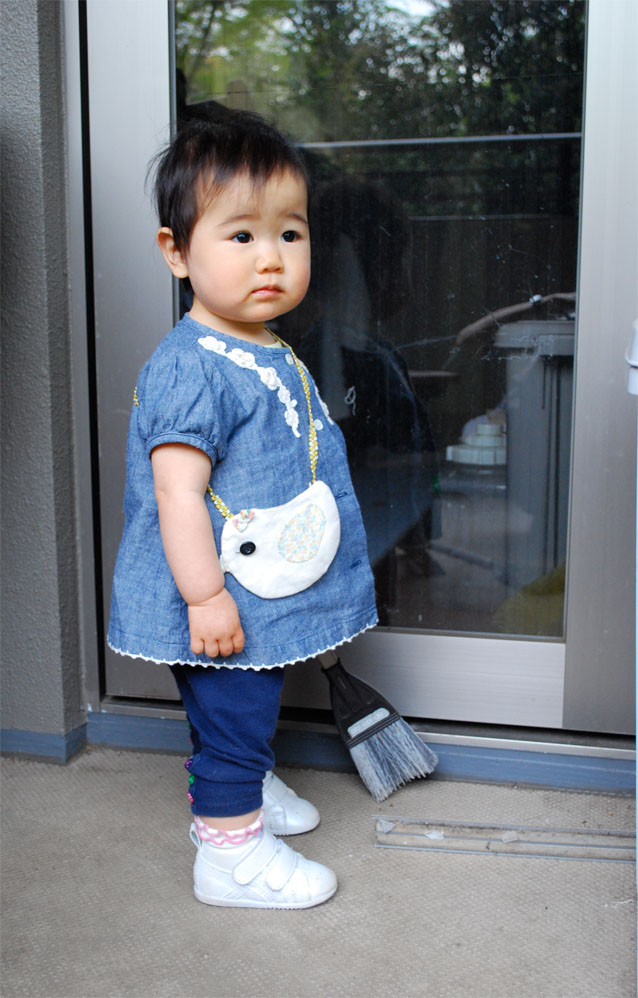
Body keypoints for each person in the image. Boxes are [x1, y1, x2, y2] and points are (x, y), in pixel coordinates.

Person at [107, 110, 378, 910]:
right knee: (234, 714)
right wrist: (204, 596)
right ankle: (230, 854)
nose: (271, 258)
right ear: (176, 252)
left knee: (245, 704)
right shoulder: (191, 367)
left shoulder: (260, 342)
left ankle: (246, 788)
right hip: (217, 589)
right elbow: (176, 492)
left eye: (290, 234)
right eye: (241, 236)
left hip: (251, 582)